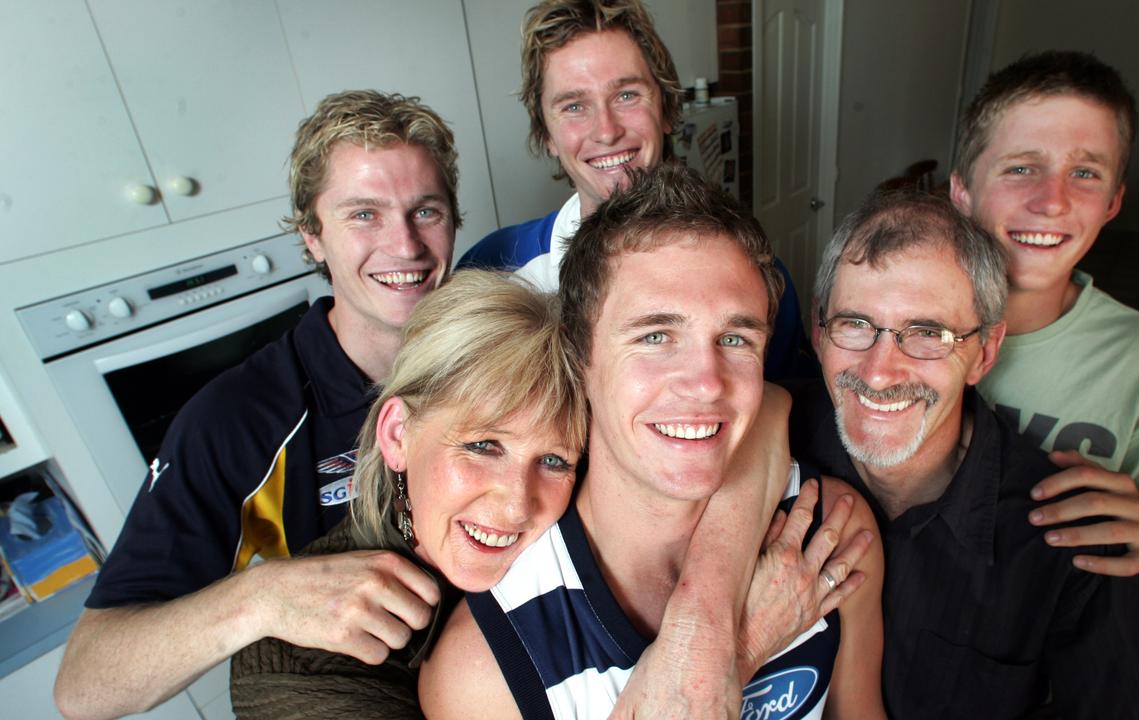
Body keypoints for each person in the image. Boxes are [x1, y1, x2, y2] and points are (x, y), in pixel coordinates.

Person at [422, 165, 886, 719]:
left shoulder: (827, 531)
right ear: (579, 355)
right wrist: (736, 651)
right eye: (656, 335)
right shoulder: (485, 670)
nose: (707, 383)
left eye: (735, 338)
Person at [55, 90, 460, 719]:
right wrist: (260, 598)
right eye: (363, 215)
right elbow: (85, 686)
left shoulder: (490, 354)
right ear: (312, 236)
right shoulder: (235, 421)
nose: (404, 245)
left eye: (425, 211)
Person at [789, 189, 1139, 718]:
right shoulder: (767, 443)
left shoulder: (1078, 550)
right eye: (855, 324)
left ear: (984, 352)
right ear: (818, 332)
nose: (878, 372)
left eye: (928, 333)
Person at [231, 270, 587, 718]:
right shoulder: (298, 661)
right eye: (482, 446)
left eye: (554, 460)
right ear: (398, 434)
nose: (517, 505)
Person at [949, 51, 1139, 597]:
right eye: (1021, 167)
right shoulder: (900, 324)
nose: (1052, 201)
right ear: (961, 191)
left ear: (1113, 202)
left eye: (1084, 173)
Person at [457, 0, 816, 380]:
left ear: (667, 109)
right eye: (575, 106)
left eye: (627, 95)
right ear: (545, 134)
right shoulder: (494, 269)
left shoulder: (749, 272)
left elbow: (797, 413)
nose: (607, 130)